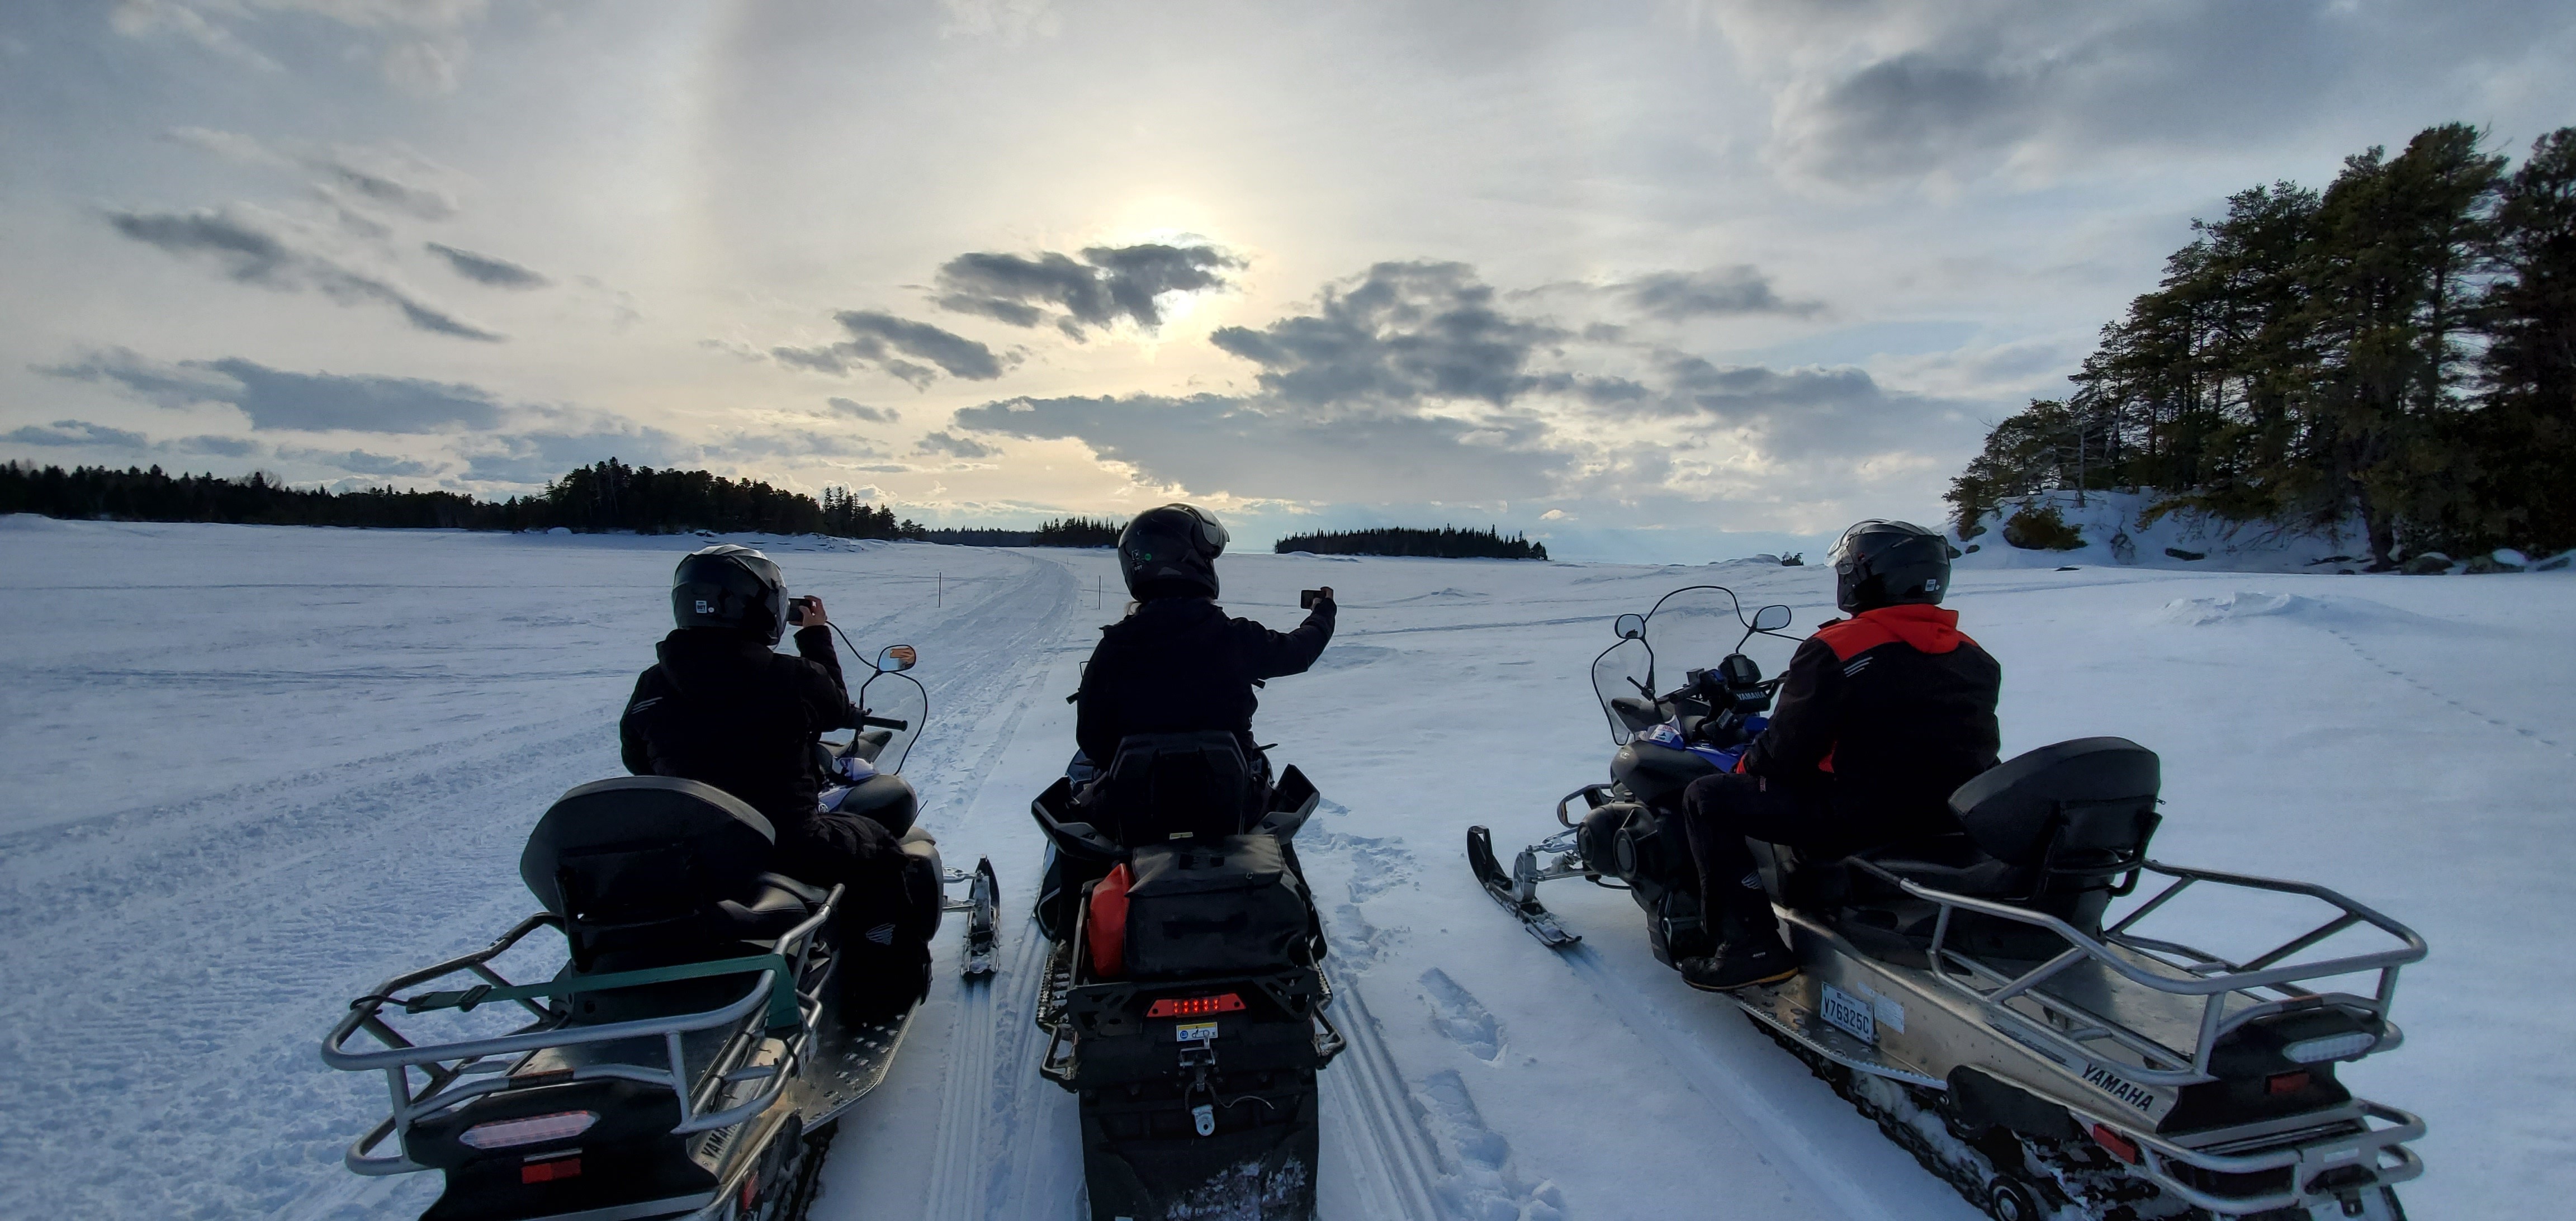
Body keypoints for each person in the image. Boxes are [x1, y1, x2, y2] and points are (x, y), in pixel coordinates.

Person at [1675, 519, 2001, 992]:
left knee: (1706, 797)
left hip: (1859, 815)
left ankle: (1750, 947)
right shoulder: (1974, 654)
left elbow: (1784, 752)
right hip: (1950, 815)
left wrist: (1743, 771)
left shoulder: (1839, 647)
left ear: (1864, 577)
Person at [619, 544, 932, 1011]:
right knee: (879, 850)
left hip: (695, 855)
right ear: (762, 606)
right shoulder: (790, 675)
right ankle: (884, 988)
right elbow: (837, 708)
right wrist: (815, 633)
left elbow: (636, 759)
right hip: (786, 841)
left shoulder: (653, 682)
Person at [1073, 504, 1336, 778]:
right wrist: (1323, 612)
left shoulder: (1114, 648)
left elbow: (1091, 738)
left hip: (1136, 807)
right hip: (1230, 802)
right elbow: (1299, 651)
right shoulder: (1233, 638)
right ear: (1196, 563)